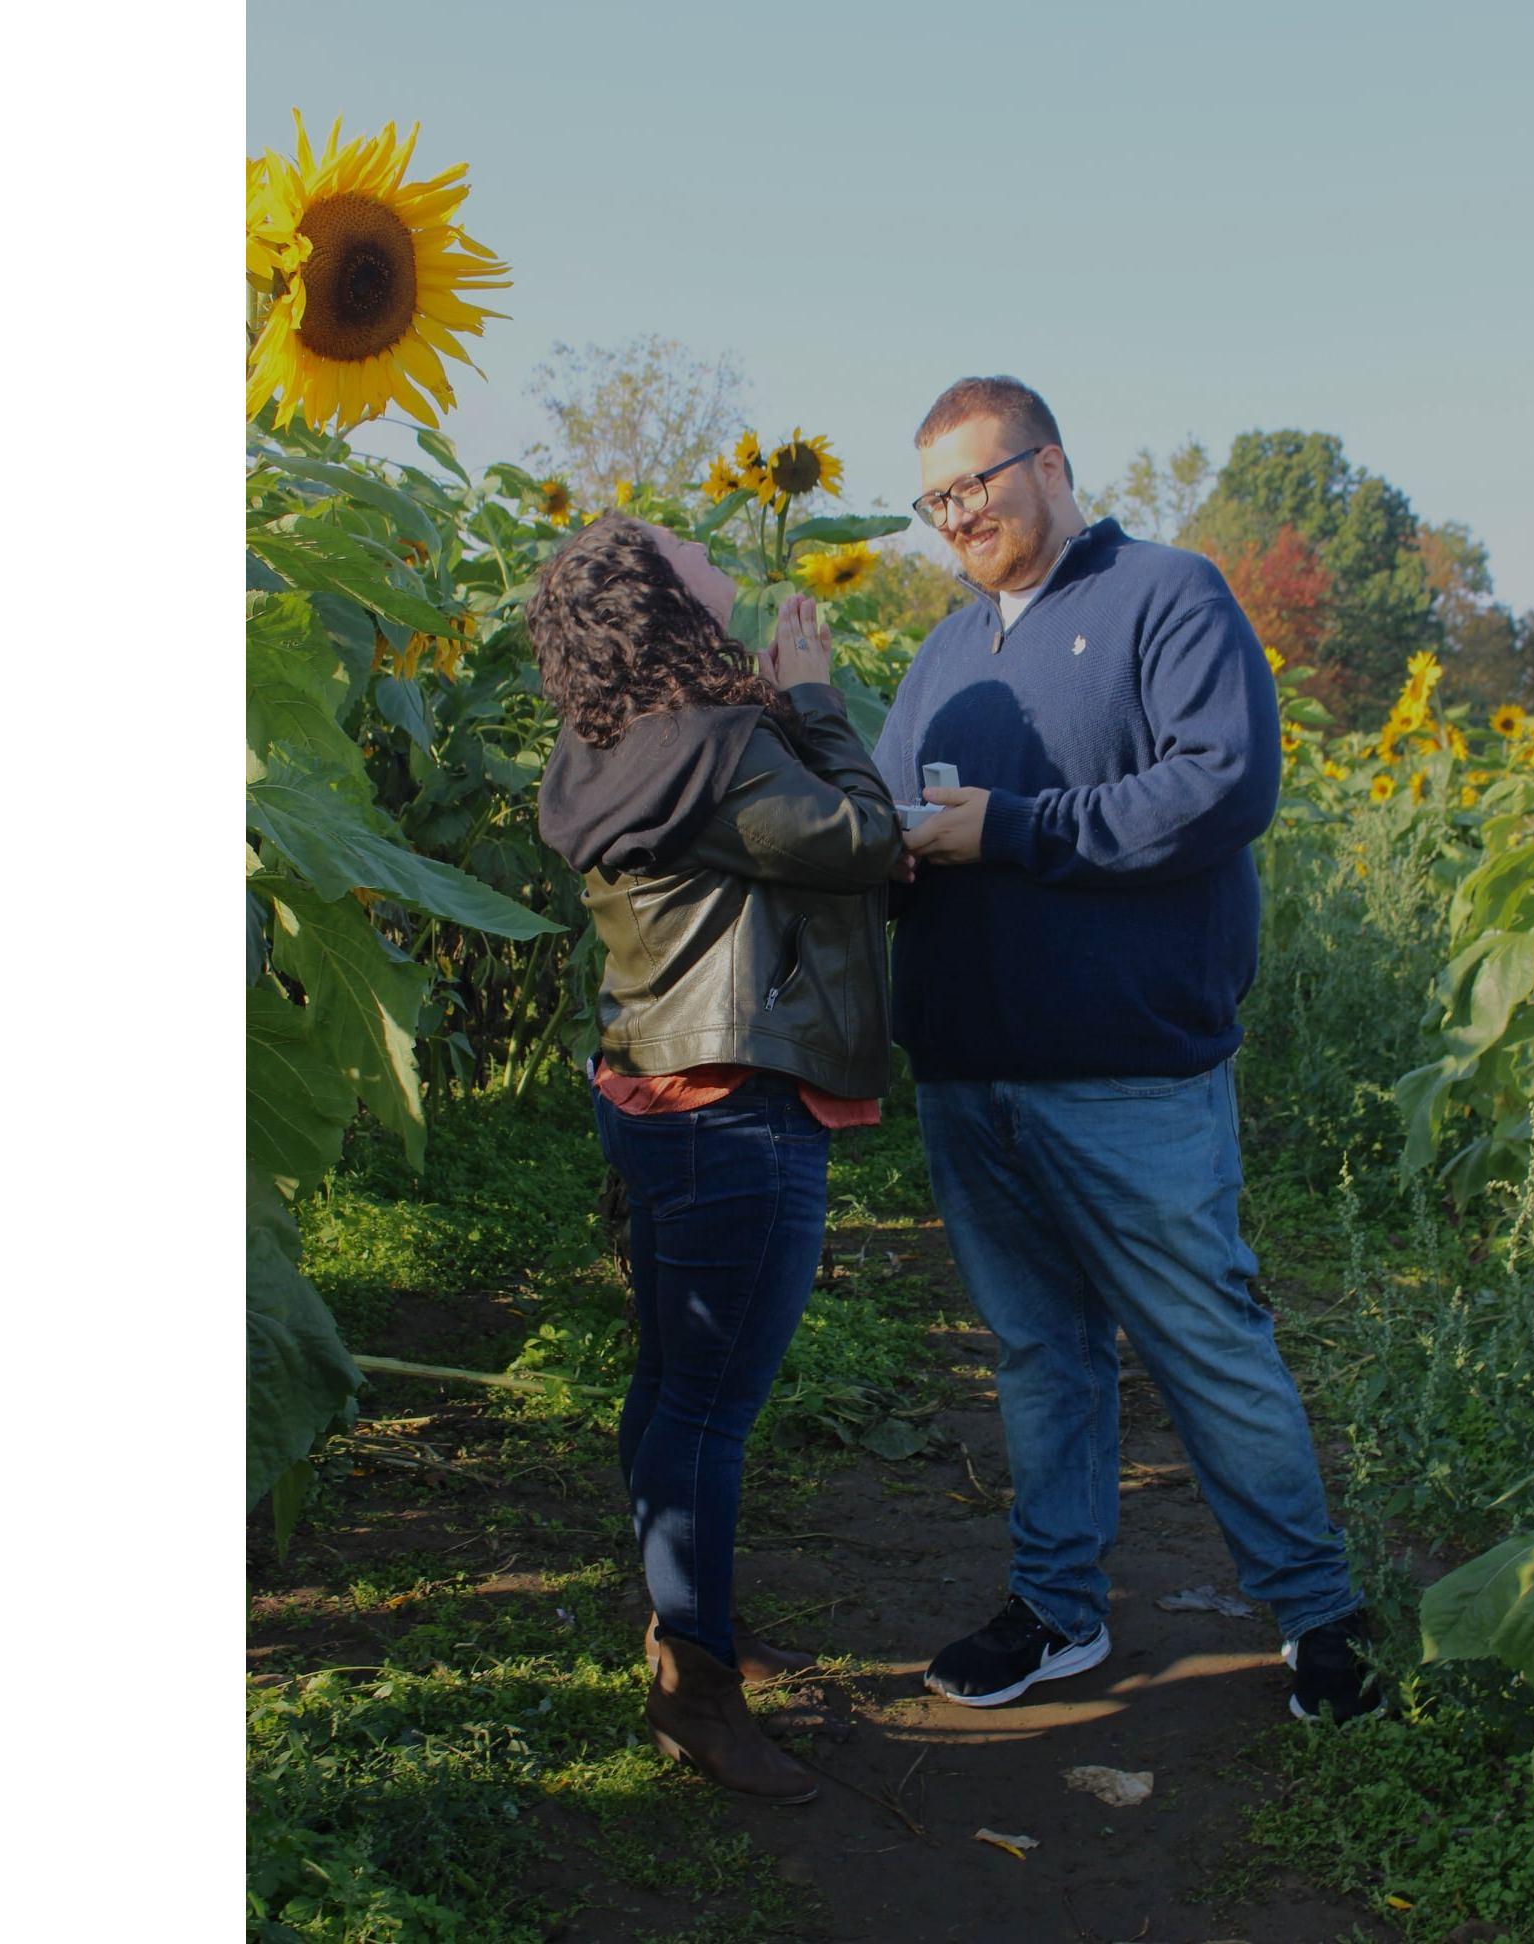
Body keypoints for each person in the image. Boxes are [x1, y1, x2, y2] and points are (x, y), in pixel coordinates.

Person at [872, 376, 1381, 1724]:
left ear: (1048, 463)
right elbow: (885, 816)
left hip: (1127, 1070)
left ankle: (1323, 1617)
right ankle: (1058, 1608)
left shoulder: (1167, 594)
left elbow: (1222, 785)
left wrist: (1015, 830)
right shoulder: (942, 655)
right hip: (969, 1071)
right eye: (935, 501)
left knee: (1203, 1340)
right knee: (1039, 1350)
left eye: (976, 484)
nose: (956, 517)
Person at [530, 512, 904, 1801]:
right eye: (689, 552)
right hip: (734, 1111)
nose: (712, 557)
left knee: (673, 1388)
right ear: (664, 597)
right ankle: (694, 1689)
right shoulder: (726, 747)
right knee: (708, 1409)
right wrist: (815, 696)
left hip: (653, 1092)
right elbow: (867, 842)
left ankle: (696, 1624)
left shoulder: (612, 746)